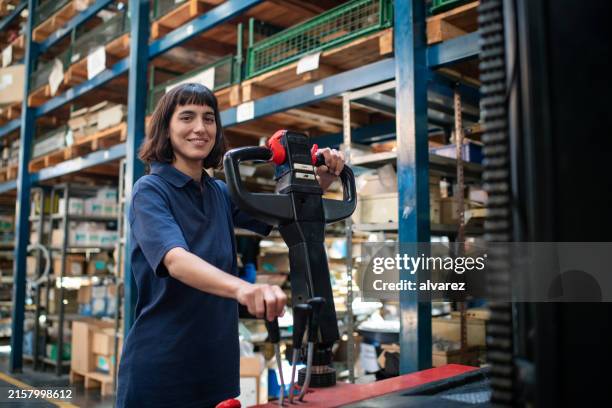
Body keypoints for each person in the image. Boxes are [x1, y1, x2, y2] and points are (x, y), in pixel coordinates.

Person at [116, 83, 345, 408]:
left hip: (215, 366)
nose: (200, 128)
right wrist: (243, 289)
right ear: (166, 129)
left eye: (209, 119)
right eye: (187, 117)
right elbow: (176, 261)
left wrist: (320, 179)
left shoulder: (220, 192)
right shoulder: (150, 190)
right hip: (163, 368)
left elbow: (284, 216)